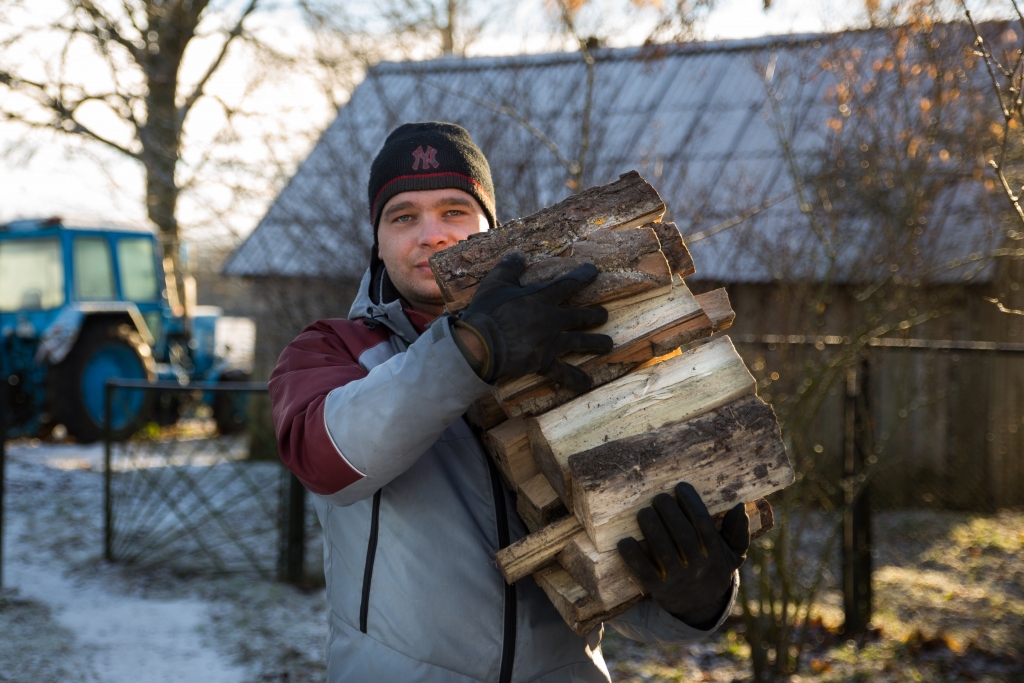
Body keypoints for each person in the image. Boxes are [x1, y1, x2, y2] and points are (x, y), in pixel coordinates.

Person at [270, 121, 749, 683]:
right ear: (376, 239)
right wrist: (472, 351)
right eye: (403, 216)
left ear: (490, 225)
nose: (432, 234)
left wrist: (692, 600)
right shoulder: (332, 350)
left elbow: (617, 591)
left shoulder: (579, 346)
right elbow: (330, 462)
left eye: (454, 211)